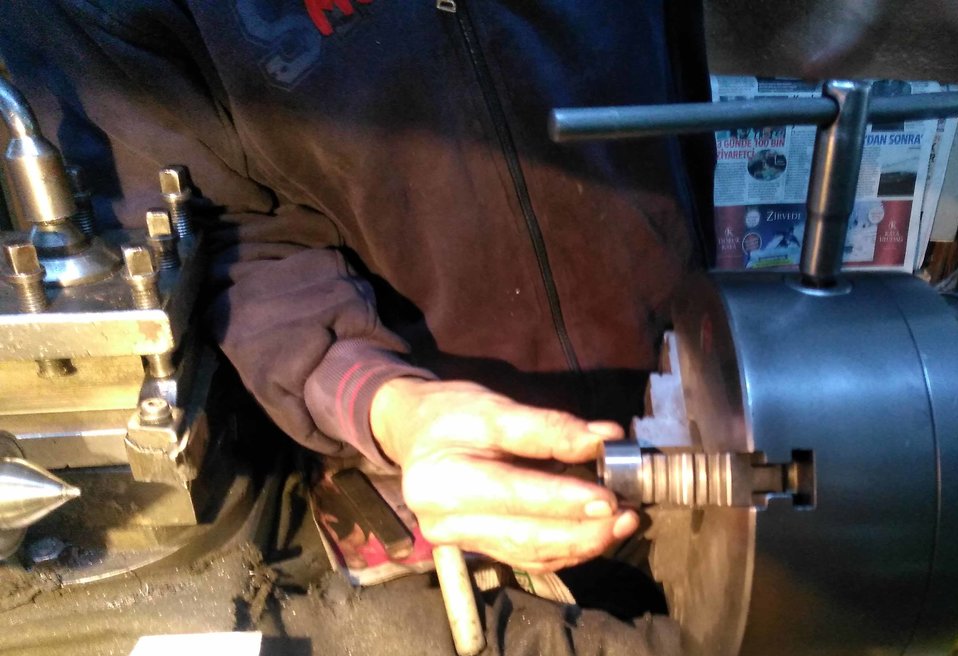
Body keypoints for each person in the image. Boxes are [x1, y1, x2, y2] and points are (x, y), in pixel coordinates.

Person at [1, 0, 711, 575]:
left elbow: (687, 74)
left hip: (702, 391)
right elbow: (207, 232)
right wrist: (389, 406)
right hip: (424, 470)